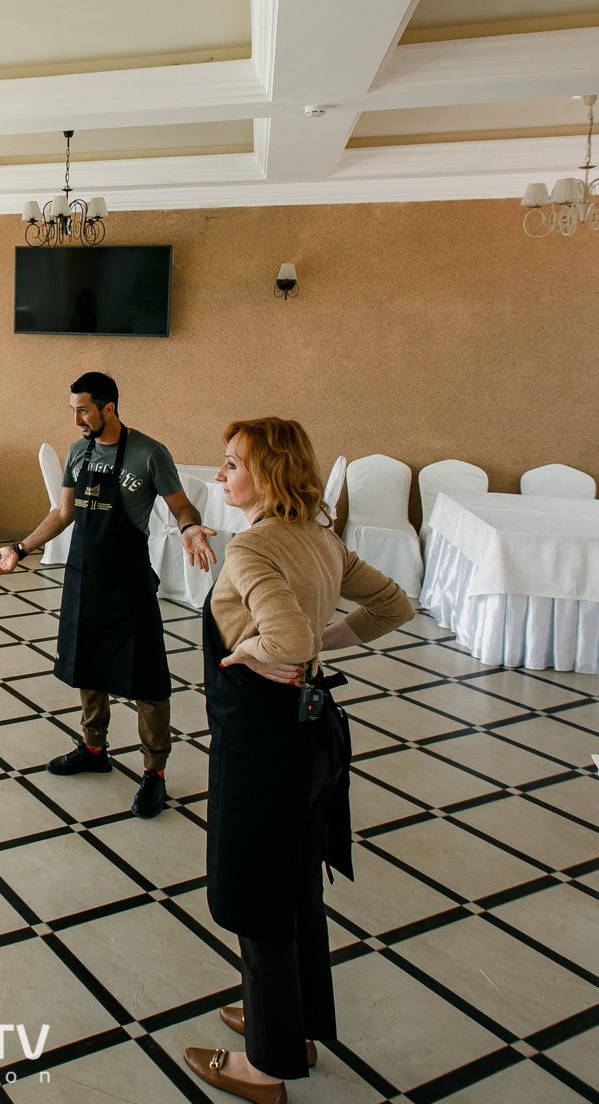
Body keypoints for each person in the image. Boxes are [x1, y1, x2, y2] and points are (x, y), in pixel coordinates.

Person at [183, 417, 413, 1103]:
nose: (220, 475)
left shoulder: (251, 548)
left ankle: (267, 1066)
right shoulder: (320, 538)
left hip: (264, 749)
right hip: (315, 740)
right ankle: (293, 1024)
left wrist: (258, 651)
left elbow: (284, 638)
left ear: (268, 475)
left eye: (231, 465)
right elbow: (394, 605)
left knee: (256, 897)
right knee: (296, 891)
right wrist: (320, 643)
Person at [0, 371, 217, 818]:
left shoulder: (150, 453)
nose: (76, 420)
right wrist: (20, 548)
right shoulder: (79, 451)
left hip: (129, 582)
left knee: (147, 679)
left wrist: (189, 528)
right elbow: (63, 513)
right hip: (84, 577)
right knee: (86, 663)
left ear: (109, 408)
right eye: (73, 410)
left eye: (83, 410)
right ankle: (94, 749)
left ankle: (154, 773)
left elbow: (181, 505)